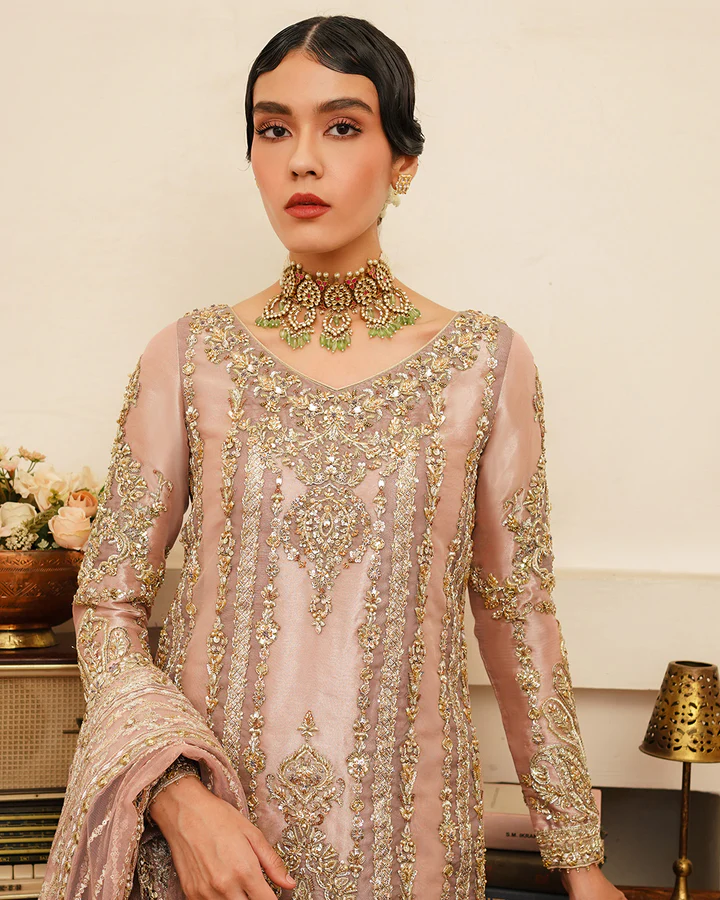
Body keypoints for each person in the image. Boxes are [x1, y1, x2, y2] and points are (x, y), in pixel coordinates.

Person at [40, 15, 625, 900]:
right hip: (207, 858)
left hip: (408, 861)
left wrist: (581, 864)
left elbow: (519, 617)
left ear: (404, 162)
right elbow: (107, 604)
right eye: (274, 129)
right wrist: (178, 801)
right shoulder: (188, 360)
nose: (302, 161)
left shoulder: (483, 365)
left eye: (342, 126)